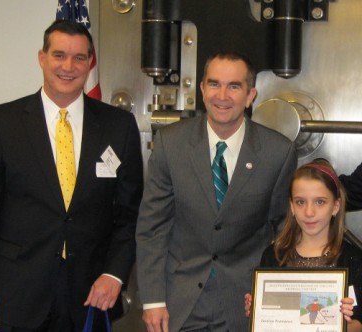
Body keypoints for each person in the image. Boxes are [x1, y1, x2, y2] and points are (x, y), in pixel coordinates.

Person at [0, 20, 143, 332]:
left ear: (90, 63)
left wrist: (114, 274)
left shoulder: (119, 127)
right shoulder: (5, 122)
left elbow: (130, 216)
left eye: (79, 58)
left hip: (91, 294)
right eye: (59, 55)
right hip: (18, 294)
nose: (68, 67)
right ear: (42, 58)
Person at [136, 51, 298, 332]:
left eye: (234, 86)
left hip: (246, 302)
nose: (222, 95)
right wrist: (152, 301)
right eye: (214, 84)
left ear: (250, 96)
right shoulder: (170, 144)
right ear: (201, 89)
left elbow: (284, 232)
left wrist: (276, 296)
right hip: (179, 302)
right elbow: (152, 228)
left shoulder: (278, 153)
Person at [244, 159, 362, 331]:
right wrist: (257, 312)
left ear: (336, 206)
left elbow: (359, 323)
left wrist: (343, 323)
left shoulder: (354, 259)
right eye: (300, 202)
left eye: (320, 202)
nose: (309, 212)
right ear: (291, 206)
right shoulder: (274, 255)